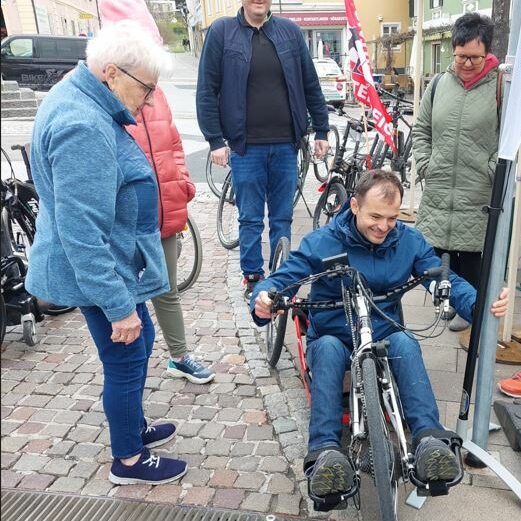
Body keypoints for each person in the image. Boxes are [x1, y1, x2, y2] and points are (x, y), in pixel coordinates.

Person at [251, 170, 508, 506]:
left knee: (405, 342)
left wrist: (478, 302)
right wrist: (264, 299)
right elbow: (282, 279)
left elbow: (442, 277)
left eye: (392, 217)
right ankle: (325, 454)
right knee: (327, 350)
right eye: (375, 216)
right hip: (334, 333)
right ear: (355, 206)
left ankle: (429, 441)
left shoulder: (408, 241)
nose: (384, 226)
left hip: (384, 330)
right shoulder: (322, 241)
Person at [26, 21, 188, 486]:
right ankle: (129, 460)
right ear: (112, 73)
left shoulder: (82, 97)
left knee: (142, 342)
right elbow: (82, 234)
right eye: (147, 89)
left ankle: (132, 426)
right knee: (126, 357)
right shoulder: (83, 124)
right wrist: (119, 308)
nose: (150, 101)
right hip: (100, 270)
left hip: (112, 264)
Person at [99, 0, 215, 384]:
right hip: (125, 218)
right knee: (127, 296)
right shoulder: (105, 96)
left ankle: (178, 356)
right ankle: (129, 373)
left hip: (164, 208)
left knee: (166, 288)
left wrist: (182, 182)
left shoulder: (157, 93)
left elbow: (174, 144)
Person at [196, 0, 329, 300]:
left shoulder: (289, 32)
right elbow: (207, 89)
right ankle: (253, 277)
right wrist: (214, 139)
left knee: (283, 218)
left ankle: (281, 277)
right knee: (251, 218)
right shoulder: (222, 32)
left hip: (286, 145)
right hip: (246, 148)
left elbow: (310, 84)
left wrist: (321, 129)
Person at [413, 12, 500, 332]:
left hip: (478, 192)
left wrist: (491, 170)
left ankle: (471, 311)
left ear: (487, 52)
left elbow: (511, 138)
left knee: (472, 259)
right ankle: (448, 301)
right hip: (439, 187)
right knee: (435, 256)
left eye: (474, 57)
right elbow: (421, 129)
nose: (466, 63)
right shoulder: (439, 84)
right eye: (460, 55)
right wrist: (426, 163)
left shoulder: (501, 86)